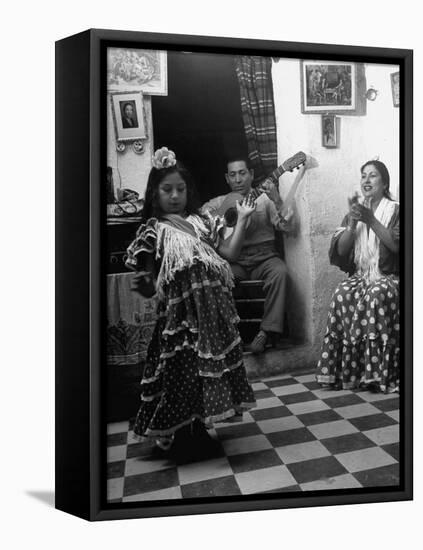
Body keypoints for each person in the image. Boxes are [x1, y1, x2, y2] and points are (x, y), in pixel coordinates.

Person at [125, 147, 256, 463]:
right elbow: (146, 277)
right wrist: (145, 282)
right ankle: (180, 435)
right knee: (180, 373)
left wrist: (243, 221)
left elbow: (229, 254)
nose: (174, 196)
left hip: (210, 315)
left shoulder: (202, 221)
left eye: (180, 189)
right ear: (155, 193)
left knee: (202, 373)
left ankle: (198, 429)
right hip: (178, 318)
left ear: (188, 191)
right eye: (167, 190)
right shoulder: (154, 229)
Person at [316, 160, 400, 393]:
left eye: (373, 176)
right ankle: (351, 372)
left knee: (375, 294)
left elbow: (396, 246)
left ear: (384, 184)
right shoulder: (355, 212)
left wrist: (371, 220)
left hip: (391, 276)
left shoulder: (396, 210)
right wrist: (353, 223)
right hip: (363, 275)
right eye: (363, 175)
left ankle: (377, 375)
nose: (366, 180)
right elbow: (342, 251)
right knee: (342, 292)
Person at [202, 156, 292, 354]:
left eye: (242, 173)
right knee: (217, 277)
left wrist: (277, 199)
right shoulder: (220, 202)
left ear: (251, 175)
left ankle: (266, 333)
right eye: (232, 175)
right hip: (236, 261)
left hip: (265, 258)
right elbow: (200, 217)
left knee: (281, 272)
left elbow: (287, 228)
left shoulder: (266, 200)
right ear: (227, 178)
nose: (238, 179)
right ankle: (228, 334)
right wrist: (217, 222)